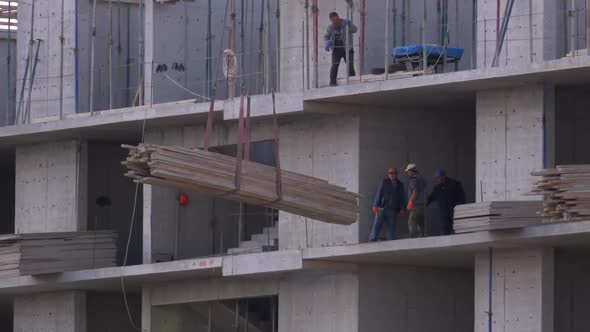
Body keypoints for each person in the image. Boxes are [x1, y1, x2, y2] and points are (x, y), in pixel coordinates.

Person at [370, 168, 405, 241]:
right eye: (390, 173)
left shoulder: (400, 185)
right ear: (388, 174)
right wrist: (375, 205)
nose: (391, 174)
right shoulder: (384, 182)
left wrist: (402, 208)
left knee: (391, 227)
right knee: (377, 225)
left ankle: (390, 242)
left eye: (393, 173)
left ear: (396, 174)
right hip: (382, 208)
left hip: (393, 209)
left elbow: (402, 198)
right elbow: (379, 194)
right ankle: (372, 240)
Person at [427, 168, 466, 235]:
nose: (438, 179)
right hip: (444, 213)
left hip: (454, 211)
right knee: (445, 230)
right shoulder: (438, 188)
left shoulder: (455, 184)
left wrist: (461, 208)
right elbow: (432, 196)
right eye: (437, 178)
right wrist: (426, 203)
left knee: (457, 229)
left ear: (443, 176)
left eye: (439, 177)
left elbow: (461, 197)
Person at [324, 12, 357, 86]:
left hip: (347, 49)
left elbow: (355, 30)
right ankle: (332, 83)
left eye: (336, 20)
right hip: (336, 49)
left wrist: (350, 24)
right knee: (334, 66)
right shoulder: (330, 27)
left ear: (338, 17)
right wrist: (327, 43)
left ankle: (353, 83)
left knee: (350, 67)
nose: (335, 22)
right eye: (333, 20)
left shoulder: (346, 23)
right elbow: (326, 36)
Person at [404, 163, 426, 237]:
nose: (408, 173)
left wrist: (411, 201)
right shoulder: (421, 178)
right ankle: (422, 236)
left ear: (412, 171)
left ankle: (413, 237)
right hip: (422, 204)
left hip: (416, 205)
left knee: (412, 220)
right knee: (420, 222)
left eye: (408, 171)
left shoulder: (414, 179)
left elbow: (415, 191)